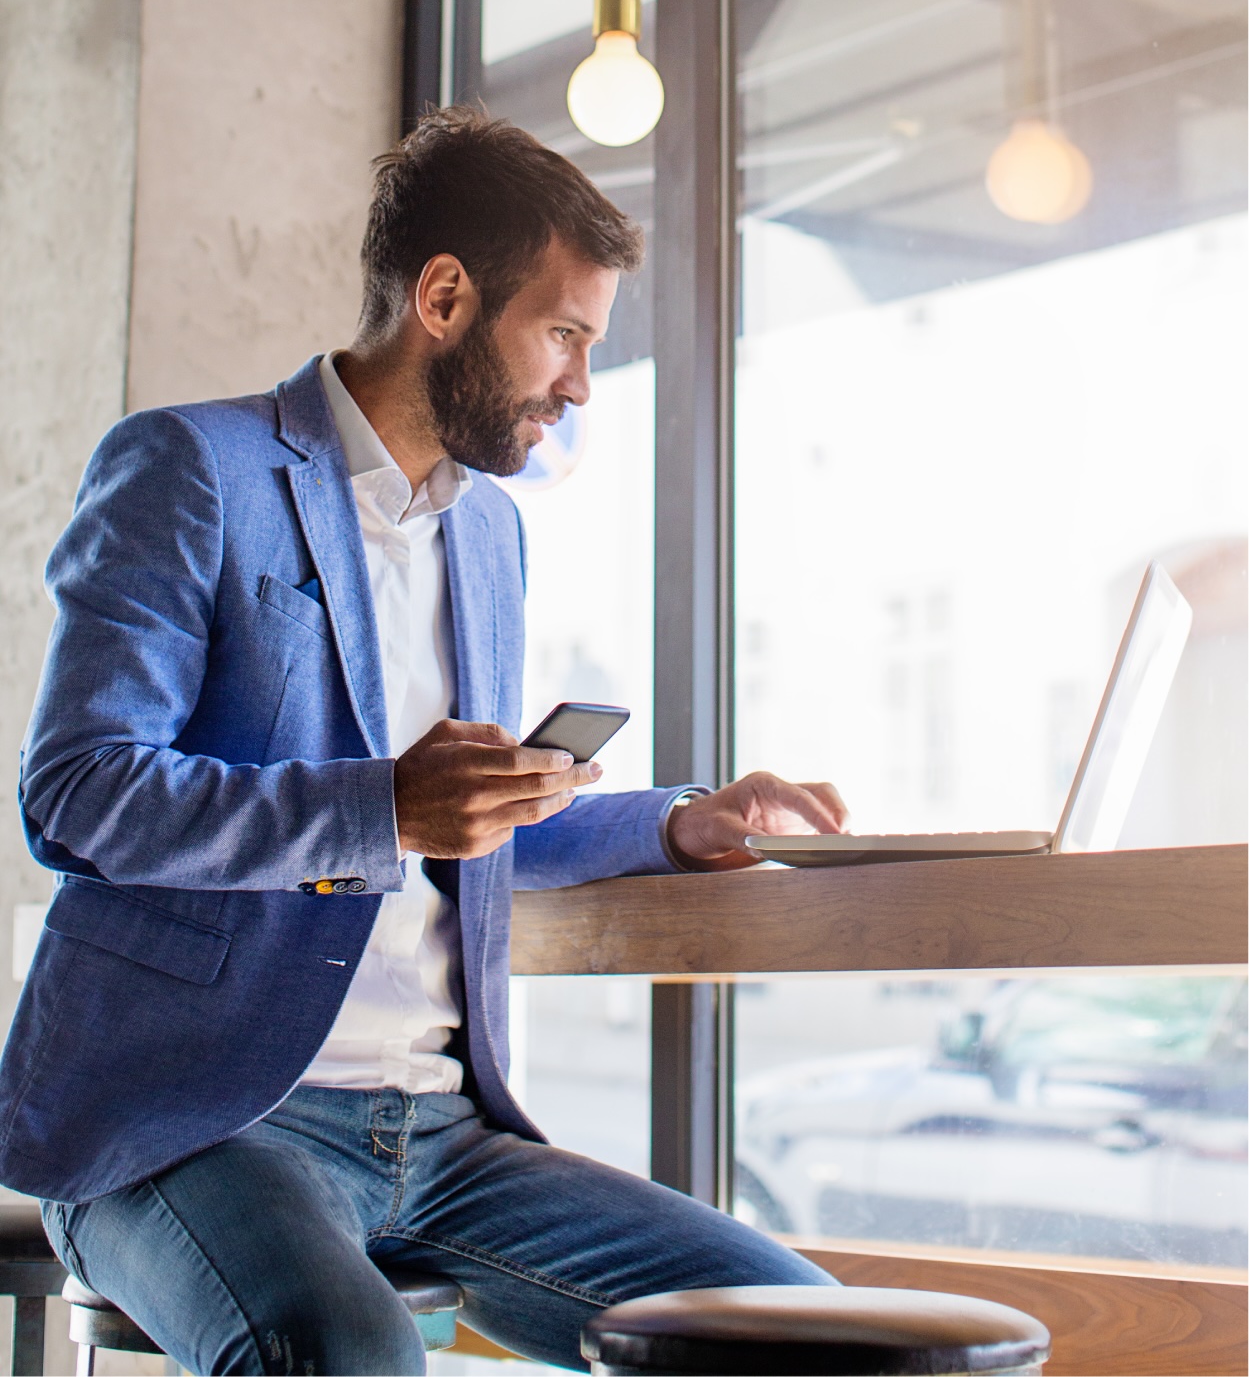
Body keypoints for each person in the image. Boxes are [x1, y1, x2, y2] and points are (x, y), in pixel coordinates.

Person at [2, 109, 848, 1375]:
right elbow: (79, 794)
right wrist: (384, 808)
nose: (578, 384)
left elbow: (472, 828)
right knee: (349, 1354)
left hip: (443, 1138)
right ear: (445, 297)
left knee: (810, 1332)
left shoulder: (489, 535)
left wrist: (682, 823)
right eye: (563, 334)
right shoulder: (191, 468)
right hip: (190, 1120)